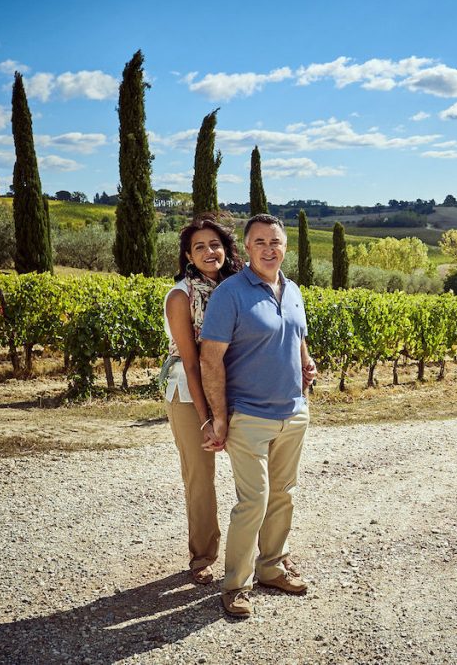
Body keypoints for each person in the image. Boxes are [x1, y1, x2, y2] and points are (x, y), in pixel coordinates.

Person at [200, 213, 318, 617]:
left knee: (284, 494)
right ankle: (236, 585)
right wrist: (219, 416)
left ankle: (272, 567)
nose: (270, 248)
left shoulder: (294, 290)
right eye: (261, 242)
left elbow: (298, 337)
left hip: (294, 412)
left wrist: (307, 363)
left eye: (276, 242)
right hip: (248, 415)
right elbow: (210, 359)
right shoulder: (230, 293)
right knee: (254, 501)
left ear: (285, 247)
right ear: (248, 249)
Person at [162, 214, 244, 586]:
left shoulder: (237, 288)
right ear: (188, 256)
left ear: (226, 249)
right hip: (188, 393)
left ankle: (259, 553)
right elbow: (192, 363)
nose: (210, 251)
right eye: (200, 247)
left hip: (234, 387)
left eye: (215, 244)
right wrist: (206, 417)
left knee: (252, 473)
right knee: (201, 477)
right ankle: (203, 556)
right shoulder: (181, 296)